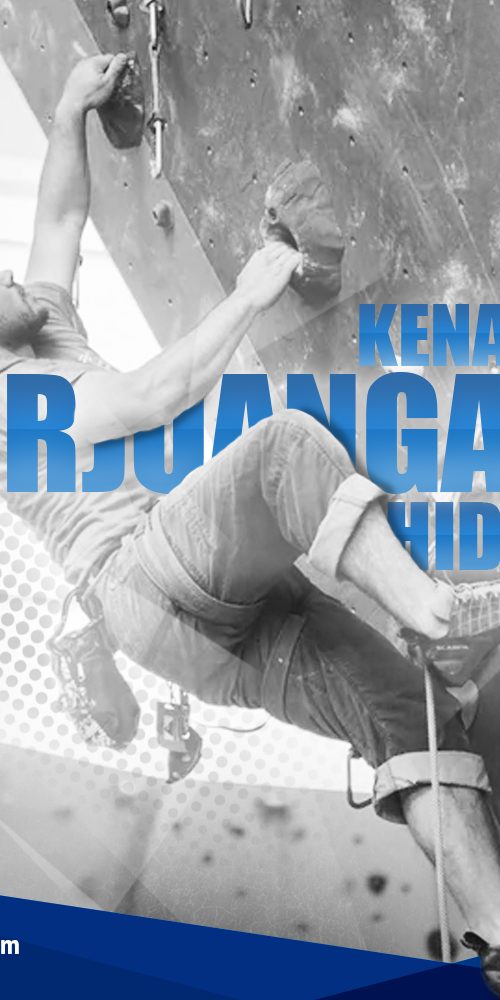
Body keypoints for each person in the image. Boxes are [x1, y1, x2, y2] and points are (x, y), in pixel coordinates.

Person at [2, 54, 500, 992]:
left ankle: (497, 936)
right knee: (282, 454)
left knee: (407, 714)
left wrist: (68, 111)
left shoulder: (38, 328)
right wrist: (253, 290)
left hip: (197, 623)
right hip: (142, 580)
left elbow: (59, 223)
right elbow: (152, 396)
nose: (9, 271)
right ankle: (436, 613)